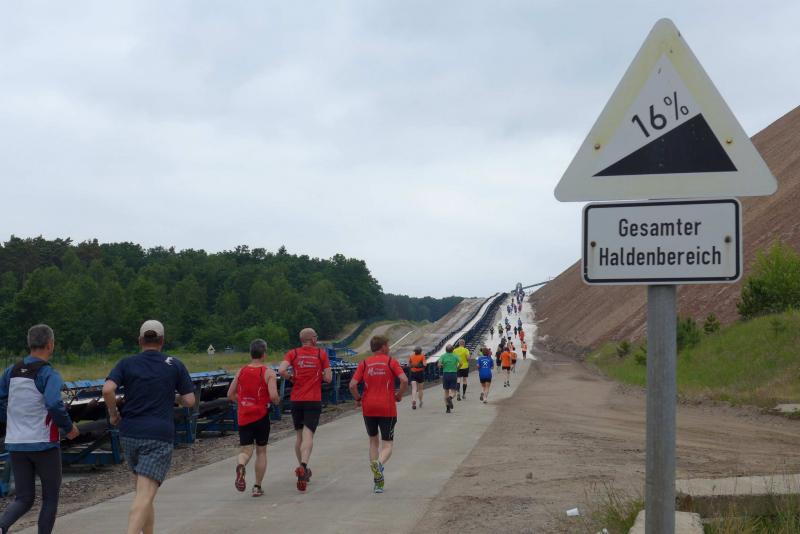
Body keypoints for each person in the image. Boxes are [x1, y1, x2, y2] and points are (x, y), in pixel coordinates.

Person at [103, 320, 196, 534]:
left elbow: (107, 390)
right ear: (162, 340)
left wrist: (113, 414)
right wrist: (174, 398)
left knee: (143, 492)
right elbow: (190, 400)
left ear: (140, 340)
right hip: (158, 436)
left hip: (129, 434)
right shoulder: (175, 364)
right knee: (144, 495)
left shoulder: (126, 363)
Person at [0, 324, 80, 534]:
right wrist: (69, 427)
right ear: (50, 344)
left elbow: (1, 400)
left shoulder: (10, 372)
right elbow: (54, 403)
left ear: (30, 344)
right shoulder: (48, 373)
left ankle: (1, 526)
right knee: (50, 497)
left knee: (24, 498)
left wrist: (11, 420)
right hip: (44, 444)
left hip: (16, 444)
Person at [349, 335, 408, 493]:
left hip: (368, 407)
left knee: (373, 442)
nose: (389, 348)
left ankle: (377, 482)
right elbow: (404, 380)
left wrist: (358, 399)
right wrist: (399, 395)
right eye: (388, 345)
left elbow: (352, 384)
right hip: (387, 407)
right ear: (383, 347)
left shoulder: (364, 363)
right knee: (387, 444)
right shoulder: (390, 362)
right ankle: (379, 464)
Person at [278, 327, 332, 492]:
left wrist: (292, 377)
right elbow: (328, 378)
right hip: (313, 399)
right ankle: (303, 465)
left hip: (297, 400)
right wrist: (319, 375)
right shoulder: (321, 354)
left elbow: (281, 370)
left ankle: (303, 468)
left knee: (299, 436)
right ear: (313, 339)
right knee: (308, 435)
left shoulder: (293, 353)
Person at [227, 339, 280, 497]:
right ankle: (257, 487)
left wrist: (243, 402)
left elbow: (230, 394)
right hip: (261, 416)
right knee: (261, 451)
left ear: (251, 354)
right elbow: (273, 396)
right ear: (264, 354)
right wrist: (277, 401)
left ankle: (241, 464)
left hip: (244, 416)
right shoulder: (268, 372)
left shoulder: (241, 371)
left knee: (246, 449)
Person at [437, 345, 460, 413]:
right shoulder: (455, 356)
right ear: (453, 350)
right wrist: (457, 368)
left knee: (446, 391)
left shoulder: (443, 356)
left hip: (445, 374)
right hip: (453, 374)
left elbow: (439, 365)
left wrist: (442, 365)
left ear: (446, 350)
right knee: (453, 391)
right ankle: (450, 398)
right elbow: (461, 363)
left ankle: (448, 409)